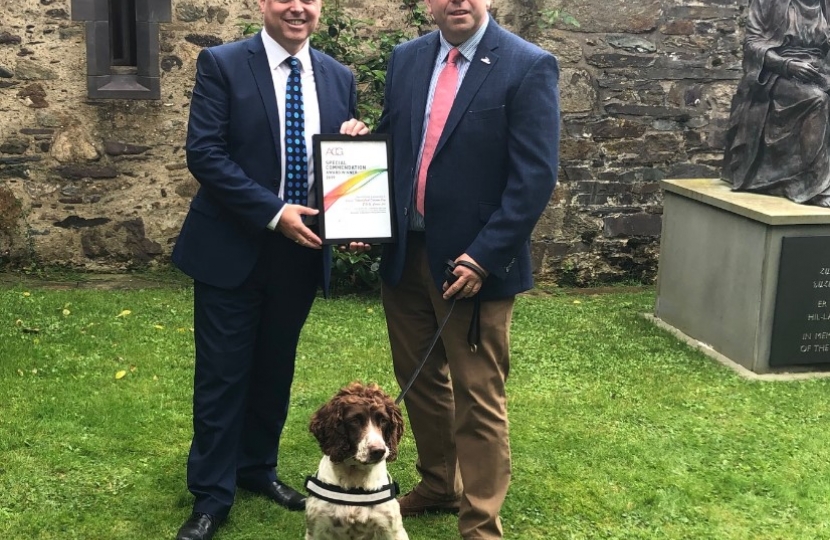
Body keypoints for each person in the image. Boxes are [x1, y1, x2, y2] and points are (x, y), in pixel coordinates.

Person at [170, 0, 368, 538]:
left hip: (300, 252)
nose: (298, 8)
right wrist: (273, 211)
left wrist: (351, 174)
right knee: (221, 376)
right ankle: (212, 494)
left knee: (274, 369)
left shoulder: (337, 76)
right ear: (264, 5)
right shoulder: (223, 64)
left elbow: (336, 171)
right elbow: (205, 154)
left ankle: (256, 467)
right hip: (231, 247)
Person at [374, 0, 560, 538]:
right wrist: (357, 178)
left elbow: (535, 176)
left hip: (472, 264)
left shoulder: (527, 64)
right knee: (419, 382)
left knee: (478, 395)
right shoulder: (406, 59)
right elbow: (394, 146)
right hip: (405, 254)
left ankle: (479, 521)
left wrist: (485, 254)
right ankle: (437, 484)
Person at [723, 0, 830, 206]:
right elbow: (751, 43)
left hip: (819, 72)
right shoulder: (767, 2)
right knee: (816, 99)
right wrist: (786, 65)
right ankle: (814, 184)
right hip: (777, 75)